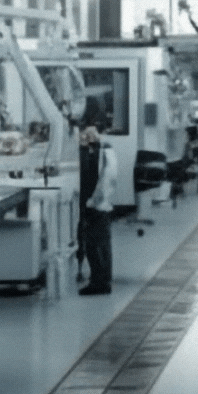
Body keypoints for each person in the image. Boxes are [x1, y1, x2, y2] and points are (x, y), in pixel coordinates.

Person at [78, 124, 118, 296]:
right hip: (101, 203)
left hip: (97, 204)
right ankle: (102, 279)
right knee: (101, 243)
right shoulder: (106, 150)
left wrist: (93, 201)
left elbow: (104, 179)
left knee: (95, 244)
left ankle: (100, 282)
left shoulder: (100, 152)